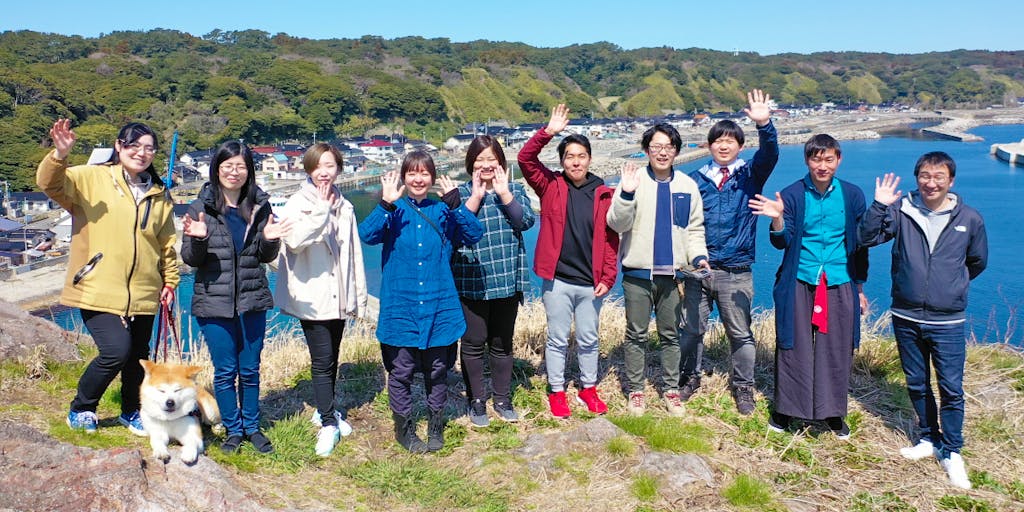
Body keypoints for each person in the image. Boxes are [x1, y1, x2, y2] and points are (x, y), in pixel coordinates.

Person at [38, 119, 179, 435]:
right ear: (118, 146)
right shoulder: (92, 178)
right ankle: (82, 407)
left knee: (138, 356)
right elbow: (50, 184)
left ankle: (131, 411)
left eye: (149, 148)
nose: (141, 153)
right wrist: (59, 155)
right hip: (97, 285)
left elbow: (166, 243)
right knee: (116, 350)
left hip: (145, 289)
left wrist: (170, 281)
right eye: (134, 145)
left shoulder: (158, 193)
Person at [858, 152, 987, 489]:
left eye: (938, 176)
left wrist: (951, 287)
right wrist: (879, 204)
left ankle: (952, 450)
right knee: (916, 382)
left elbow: (977, 261)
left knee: (951, 388)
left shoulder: (969, 218)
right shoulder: (901, 209)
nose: (931, 183)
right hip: (906, 314)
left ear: (951, 180)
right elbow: (866, 238)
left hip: (947, 320)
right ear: (917, 178)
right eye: (925, 176)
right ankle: (929, 438)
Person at [358, 151, 483, 453]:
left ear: (432, 178)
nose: (418, 179)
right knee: (400, 372)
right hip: (401, 306)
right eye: (412, 173)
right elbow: (367, 235)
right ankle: (404, 429)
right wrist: (385, 203)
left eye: (424, 173)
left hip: (439, 305)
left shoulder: (442, 210)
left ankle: (436, 425)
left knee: (437, 370)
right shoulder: (394, 210)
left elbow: (473, 234)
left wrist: (456, 204)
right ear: (403, 177)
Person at [749, 134, 868, 439]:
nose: (822, 166)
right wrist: (777, 220)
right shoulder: (792, 195)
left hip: (839, 279)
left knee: (836, 348)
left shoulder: (852, 195)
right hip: (800, 279)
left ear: (839, 160)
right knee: (793, 346)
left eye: (829, 159)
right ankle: (786, 410)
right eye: (816, 159)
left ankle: (833, 412)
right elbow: (782, 242)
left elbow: (860, 246)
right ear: (807, 160)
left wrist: (859, 288)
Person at [180, 141, 292, 455]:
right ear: (216, 169)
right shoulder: (200, 208)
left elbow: (264, 256)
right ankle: (233, 430)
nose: (234, 172)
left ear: (249, 171)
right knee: (226, 371)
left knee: (250, 369)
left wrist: (270, 241)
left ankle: (252, 427)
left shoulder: (259, 206)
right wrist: (199, 240)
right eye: (227, 165)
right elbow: (190, 258)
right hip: (213, 302)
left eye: (240, 166)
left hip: (252, 299)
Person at [679, 89, 778, 415]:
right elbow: (680, 223)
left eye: (730, 141)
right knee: (691, 330)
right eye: (718, 141)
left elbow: (770, 154)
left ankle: (743, 387)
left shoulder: (750, 175)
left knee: (740, 333)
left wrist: (764, 124)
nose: (723, 146)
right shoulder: (694, 180)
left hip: (736, 269)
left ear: (740, 146)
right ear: (708, 146)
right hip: (698, 269)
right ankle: (689, 378)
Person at [517, 104, 619, 418]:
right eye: (570, 156)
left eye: (581, 156)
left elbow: (611, 239)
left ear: (589, 159)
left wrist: (608, 277)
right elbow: (525, 159)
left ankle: (588, 388)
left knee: (589, 339)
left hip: (591, 283)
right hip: (557, 281)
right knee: (557, 339)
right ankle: (557, 391)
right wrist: (548, 132)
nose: (576, 161)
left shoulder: (604, 193)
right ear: (562, 161)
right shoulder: (550, 185)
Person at [607, 123, 710, 417]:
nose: (662, 153)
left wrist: (699, 257)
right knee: (636, 335)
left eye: (668, 147)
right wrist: (627, 194)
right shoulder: (634, 180)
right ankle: (636, 391)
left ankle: (671, 390)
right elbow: (616, 223)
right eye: (656, 147)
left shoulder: (687, 186)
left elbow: (694, 229)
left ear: (676, 151)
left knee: (670, 335)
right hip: (638, 274)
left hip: (674, 276)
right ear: (646, 150)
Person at [275, 143, 368, 457]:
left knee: (332, 357)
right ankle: (328, 422)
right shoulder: (297, 202)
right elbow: (294, 241)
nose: (324, 172)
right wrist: (321, 211)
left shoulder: (345, 204)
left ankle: (324, 409)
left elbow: (353, 254)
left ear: (339, 168)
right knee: (322, 358)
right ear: (308, 170)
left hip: (338, 294)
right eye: (317, 166)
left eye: (330, 165)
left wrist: (357, 294)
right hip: (312, 294)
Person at [443, 136, 535, 427]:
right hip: (470, 280)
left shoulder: (515, 189)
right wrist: (475, 198)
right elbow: (452, 233)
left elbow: (525, 221)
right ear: (470, 163)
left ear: (501, 162)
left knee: (502, 343)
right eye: (479, 159)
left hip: (507, 278)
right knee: (472, 343)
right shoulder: (459, 194)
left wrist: (504, 193)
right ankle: (477, 401)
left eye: (491, 159)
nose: (485, 165)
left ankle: (503, 399)